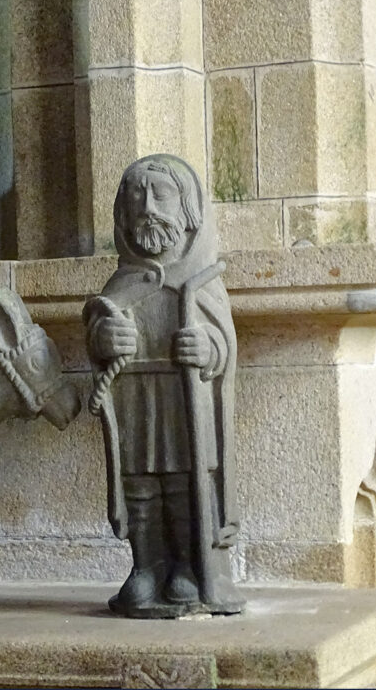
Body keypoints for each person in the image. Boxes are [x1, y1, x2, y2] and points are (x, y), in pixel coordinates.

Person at [84, 154, 244, 617]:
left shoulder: (201, 281)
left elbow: (223, 344)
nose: (148, 207)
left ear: (188, 210)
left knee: (182, 484)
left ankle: (189, 566)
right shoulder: (124, 281)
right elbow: (99, 322)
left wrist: (208, 348)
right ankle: (146, 567)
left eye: (161, 195)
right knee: (139, 486)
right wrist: (104, 336)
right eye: (136, 197)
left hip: (183, 402)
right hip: (135, 399)